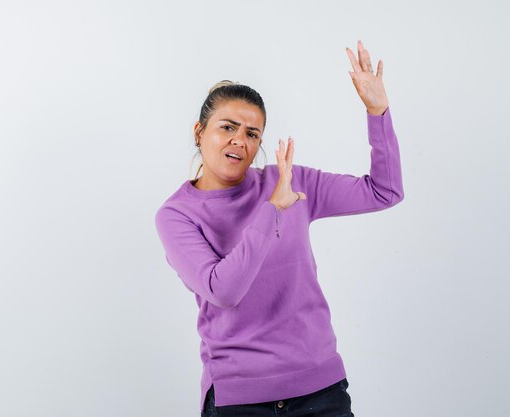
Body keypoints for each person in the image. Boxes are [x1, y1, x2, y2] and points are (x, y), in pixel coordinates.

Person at [154, 40, 404, 417]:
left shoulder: (290, 181)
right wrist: (274, 209)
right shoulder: (177, 215)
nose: (240, 139)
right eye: (228, 127)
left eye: (253, 134)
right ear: (199, 132)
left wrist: (378, 112)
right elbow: (224, 290)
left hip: (321, 392)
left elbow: (384, 192)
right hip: (240, 401)